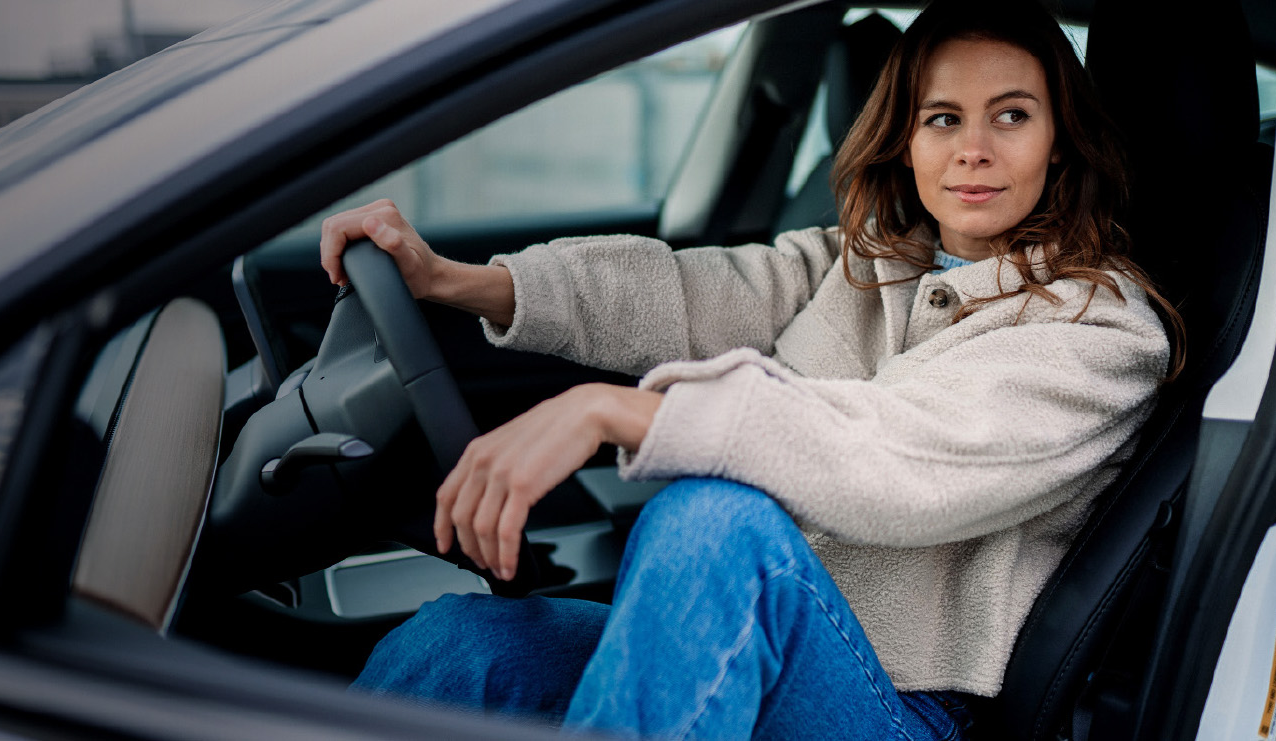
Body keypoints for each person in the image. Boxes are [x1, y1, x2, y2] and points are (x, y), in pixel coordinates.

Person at [317, 0, 1180, 737]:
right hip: (774, 641)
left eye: (1012, 115)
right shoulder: (872, 263)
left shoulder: (1100, 332)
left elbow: (888, 454)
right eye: (942, 117)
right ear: (907, 140)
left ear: (1060, 143)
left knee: (718, 524)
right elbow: (689, 293)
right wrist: (451, 281)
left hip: (914, 713)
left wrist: (611, 412)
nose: (973, 149)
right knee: (466, 645)